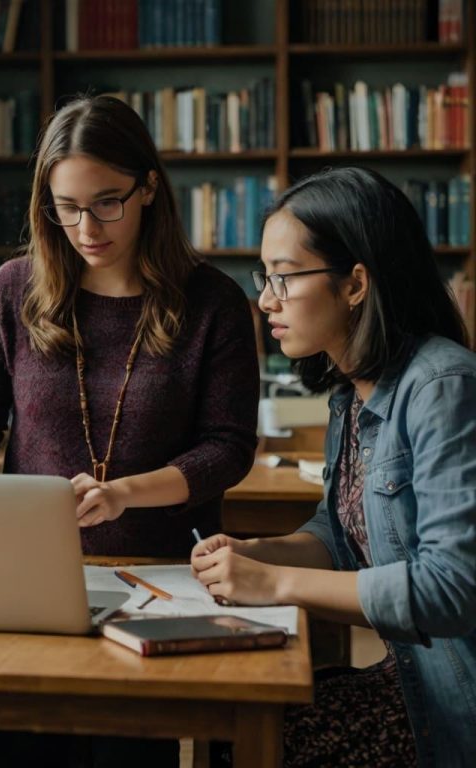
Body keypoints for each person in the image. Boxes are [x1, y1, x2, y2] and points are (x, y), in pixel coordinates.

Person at [0, 94, 260, 767]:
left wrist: (124, 494)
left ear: (149, 187)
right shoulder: (12, 290)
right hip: (29, 574)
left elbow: (227, 447)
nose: (87, 226)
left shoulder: (213, 302)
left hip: (161, 580)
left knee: (128, 752)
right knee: (28, 750)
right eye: (67, 206)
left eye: (107, 201)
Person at [191, 166, 476, 768]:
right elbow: (340, 538)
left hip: (455, 703)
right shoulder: (353, 393)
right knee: (230, 722)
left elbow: (453, 588)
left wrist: (273, 585)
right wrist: (258, 552)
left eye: (285, 278)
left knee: (255, 738)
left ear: (355, 284)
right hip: (413, 682)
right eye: (264, 277)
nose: (266, 298)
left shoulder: (441, 385)